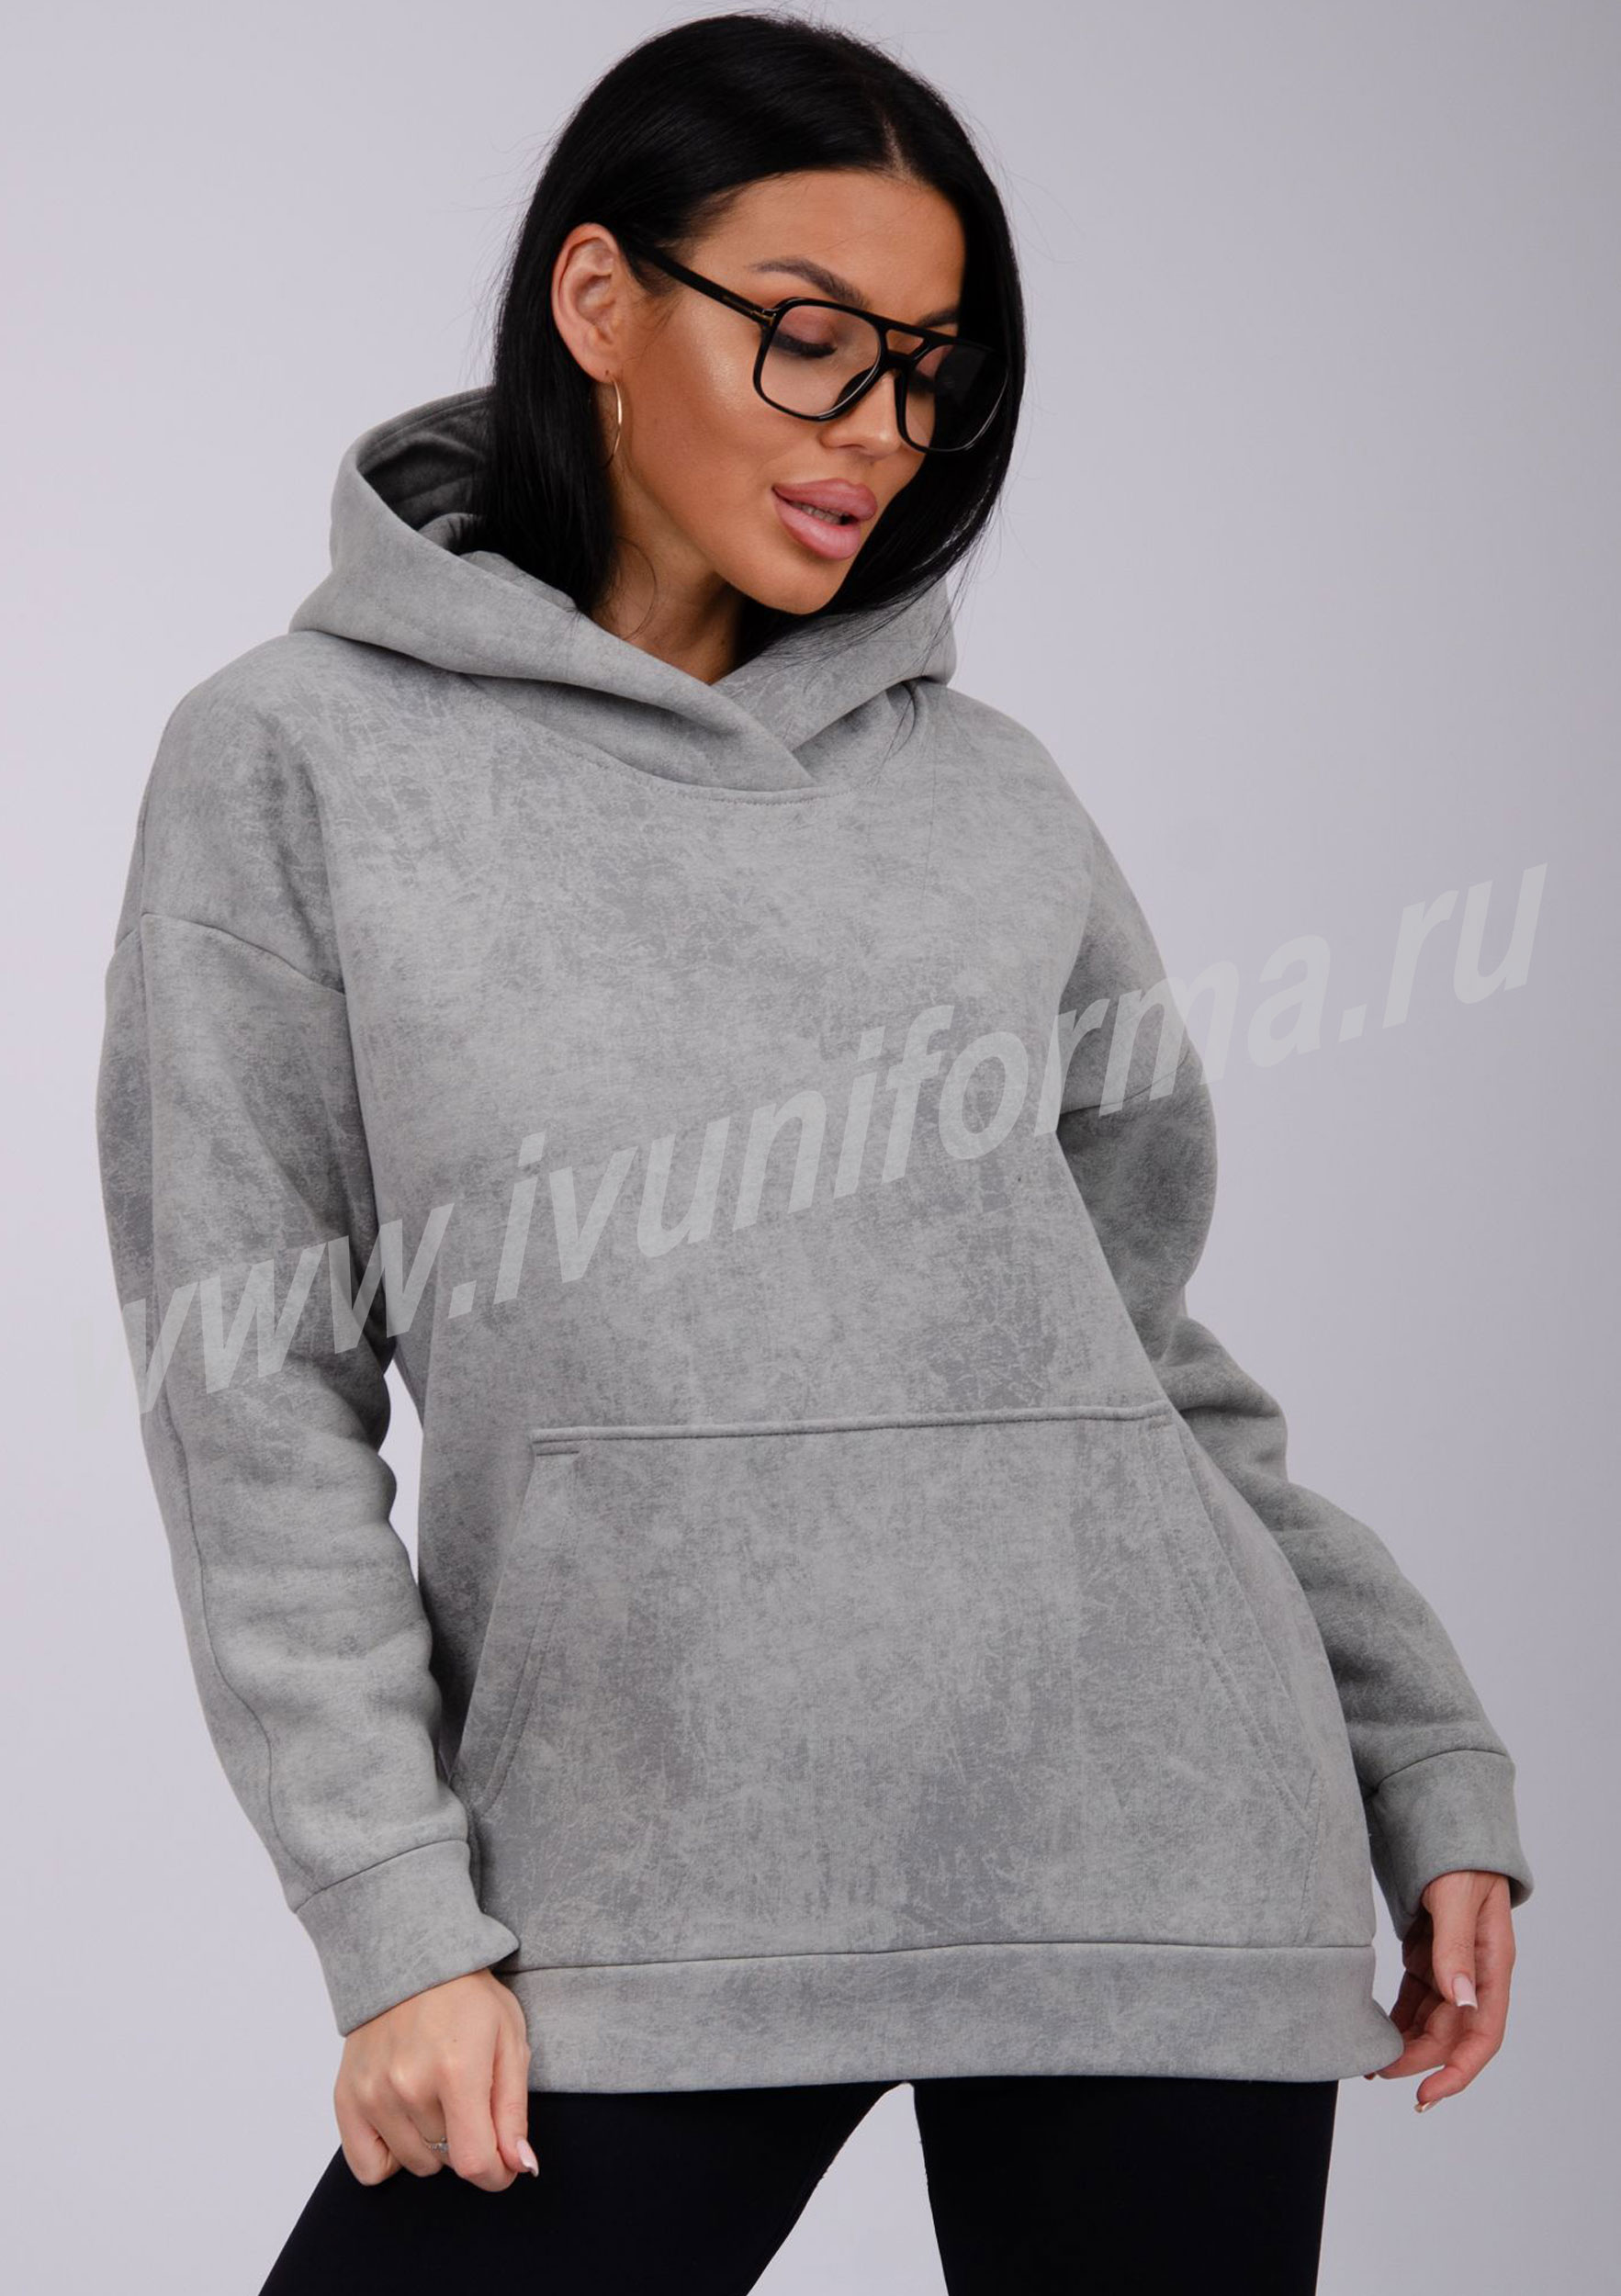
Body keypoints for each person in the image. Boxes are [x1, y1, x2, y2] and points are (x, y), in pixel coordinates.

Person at [93, 14, 1534, 2292]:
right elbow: (249, 1392)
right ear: (598, 300)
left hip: (1152, 1842)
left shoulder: (989, 792)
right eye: (809, 339)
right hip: (628, 1873)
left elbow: (1144, 1350)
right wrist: (390, 1915)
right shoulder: (295, 760)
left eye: (928, 374)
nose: (876, 429)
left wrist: (1420, 1749)